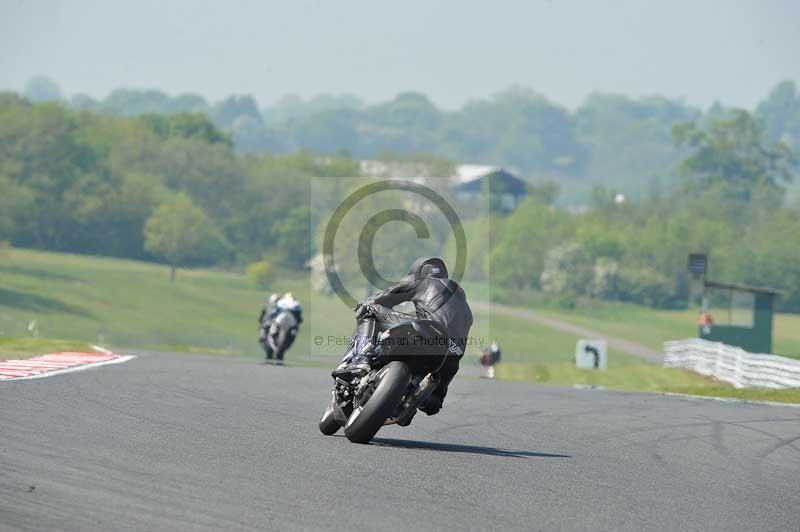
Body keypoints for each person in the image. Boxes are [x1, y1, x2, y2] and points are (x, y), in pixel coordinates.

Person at [334, 257, 473, 416]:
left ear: (418, 271)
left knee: (369, 309)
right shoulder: (461, 298)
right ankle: (416, 396)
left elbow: (382, 299)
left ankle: (361, 360)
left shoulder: (420, 280)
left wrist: (364, 304)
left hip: (426, 333)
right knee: (433, 403)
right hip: (452, 356)